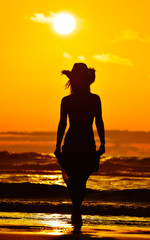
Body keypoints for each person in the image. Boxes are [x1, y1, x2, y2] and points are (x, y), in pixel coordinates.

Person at [54, 63, 105, 234]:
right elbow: (62, 123)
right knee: (78, 180)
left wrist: (103, 143)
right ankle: (77, 209)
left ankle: (76, 208)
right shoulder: (68, 100)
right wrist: (57, 145)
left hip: (82, 144)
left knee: (79, 180)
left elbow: (99, 121)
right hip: (76, 143)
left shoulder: (93, 99)